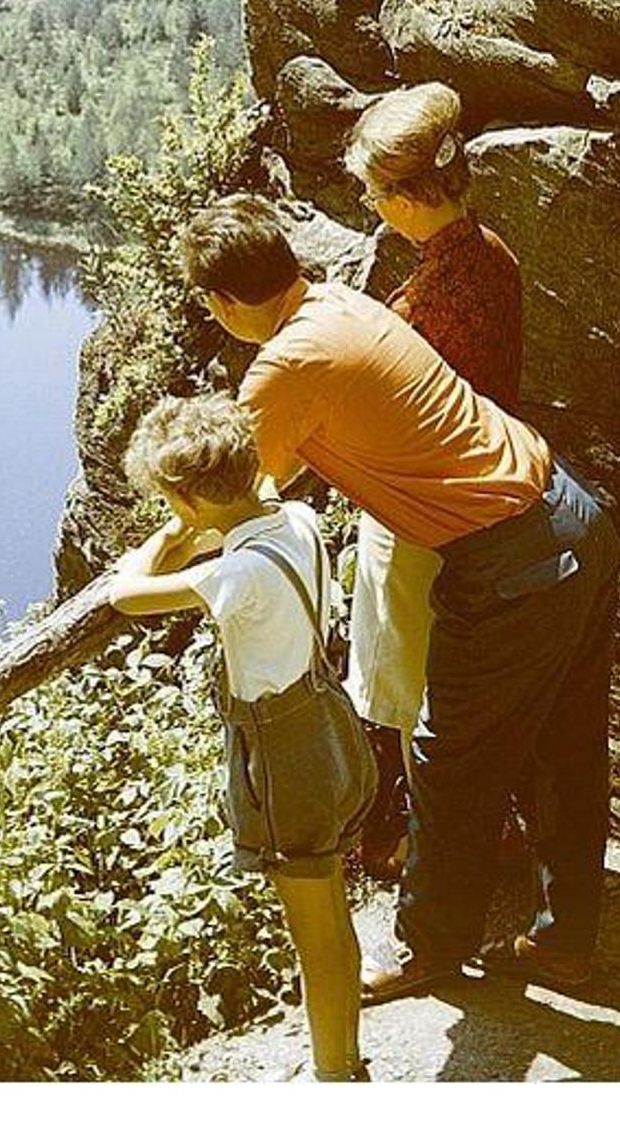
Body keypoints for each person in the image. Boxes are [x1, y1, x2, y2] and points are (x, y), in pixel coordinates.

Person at [177, 194, 620, 1004]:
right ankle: (564, 945)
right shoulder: (339, 303)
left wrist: (148, 564)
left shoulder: (284, 367)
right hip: (573, 516)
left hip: (513, 561)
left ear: (223, 301)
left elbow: (216, 502)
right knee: (566, 749)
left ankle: (427, 951)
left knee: (446, 760)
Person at [110, 393, 377, 1081]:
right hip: (330, 732)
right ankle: (347, 1057)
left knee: (314, 937)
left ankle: (333, 1079)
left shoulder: (238, 574)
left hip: (288, 764)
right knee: (333, 917)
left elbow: (126, 593)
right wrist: (195, 517)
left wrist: (171, 535)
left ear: (188, 501)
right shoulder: (296, 519)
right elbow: (230, 531)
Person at [343, 83, 525, 869]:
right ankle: (472, 832)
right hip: (473, 500)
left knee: (409, 681)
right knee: (448, 678)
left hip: (424, 509)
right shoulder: (488, 254)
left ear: (411, 197)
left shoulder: (444, 289)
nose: (372, 207)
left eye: (377, 193)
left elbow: (411, 408)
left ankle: (434, 853)